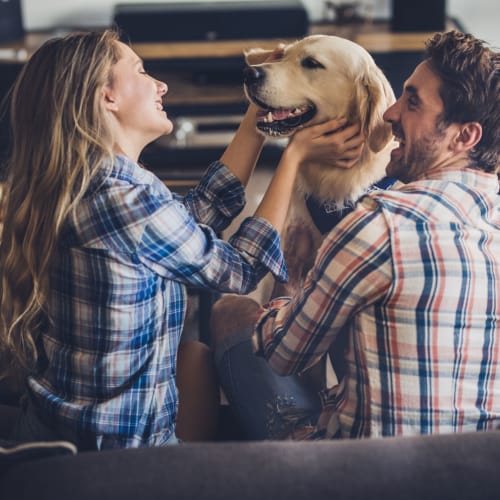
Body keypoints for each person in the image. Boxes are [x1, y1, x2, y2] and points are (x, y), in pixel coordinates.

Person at [0, 29, 365, 449]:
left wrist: (259, 116)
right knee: (211, 355)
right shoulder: (125, 202)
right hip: (112, 455)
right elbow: (239, 270)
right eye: (140, 72)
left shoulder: (95, 183)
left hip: (57, 422)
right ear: (107, 97)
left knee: (193, 355)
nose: (161, 84)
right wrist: (293, 156)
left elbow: (194, 216)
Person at [210, 30, 500, 440]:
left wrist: (295, 296)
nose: (389, 114)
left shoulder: (379, 226)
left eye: (413, 102)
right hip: (473, 467)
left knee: (227, 309)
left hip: (363, 469)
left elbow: (282, 353)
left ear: (464, 136)